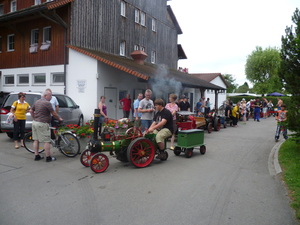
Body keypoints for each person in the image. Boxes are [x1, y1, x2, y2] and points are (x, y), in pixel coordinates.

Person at [30, 89, 63, 162]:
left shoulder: (37, 102)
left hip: (35, 123)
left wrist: (34, 118)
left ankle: (37, 156)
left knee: (36, 140)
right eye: (50, 96)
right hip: (43, 123)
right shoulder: (47, 103)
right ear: (45, 96)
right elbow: (54, 113)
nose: (51, 97)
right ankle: (48, 157)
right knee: (46, 141)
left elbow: (31, 110)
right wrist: (59, 119)